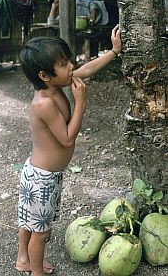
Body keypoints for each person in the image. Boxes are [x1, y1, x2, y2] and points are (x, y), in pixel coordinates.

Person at [15, 25, 121, 276]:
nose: (71, 67)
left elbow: (87, 70)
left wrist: (114, 52)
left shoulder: (55, 86)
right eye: (64, 64)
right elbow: (67, 138)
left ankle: (23, 258)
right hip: (42, 179)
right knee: (41, 233)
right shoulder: (44, 103)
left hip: (43, 175)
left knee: (29, 222)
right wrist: (81, 103)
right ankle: (36, 271)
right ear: (45, 75)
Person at [47, 0, 114, 27]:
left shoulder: (75, 0)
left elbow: (91, 3)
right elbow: (51, 23)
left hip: (104, 8)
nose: (61, 2)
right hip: (104, 20)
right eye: (57, 2)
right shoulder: (63, 15)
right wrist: (53, 7)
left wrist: (93, 11)